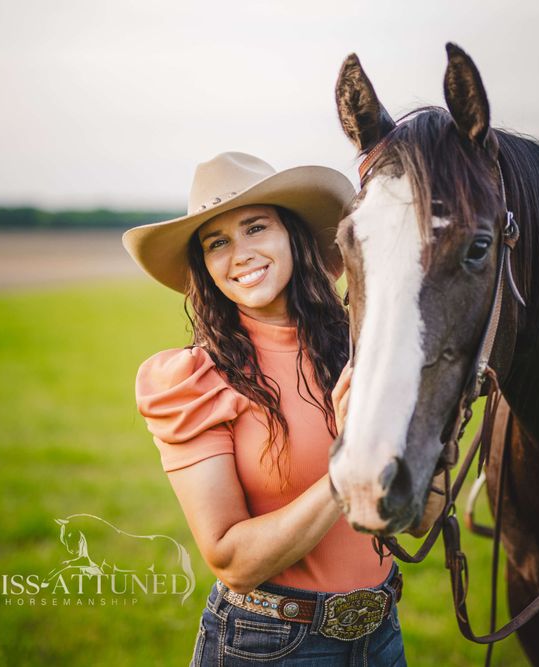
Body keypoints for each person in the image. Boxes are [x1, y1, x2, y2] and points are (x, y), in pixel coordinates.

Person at [123, 152, 408, 666]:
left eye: (256, 228)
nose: (241, 254)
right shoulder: (193, 380)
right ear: (205, 266)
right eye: (218, 242)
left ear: (293, 236)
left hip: (382, 637)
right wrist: (349, 462)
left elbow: (418, 515)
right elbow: (230, 558)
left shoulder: (361, 348)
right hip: (268, 645)